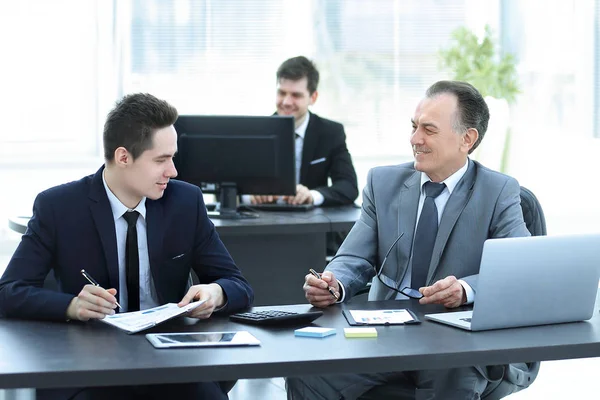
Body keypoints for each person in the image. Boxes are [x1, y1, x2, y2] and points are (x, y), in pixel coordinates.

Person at [287, 81, 538, 399]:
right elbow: (354, 257)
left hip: (454, 337)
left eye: (428, 130)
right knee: (307, 370)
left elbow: (519, 269)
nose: (414, 139)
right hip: (385, 331)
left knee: (456, 369)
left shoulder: (498, 191)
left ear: (467, 139)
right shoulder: (384, 182)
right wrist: (334, 283)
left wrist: (466, 289)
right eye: (413, 126)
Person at [0, 93, 254, 400]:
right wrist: (71, 305)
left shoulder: (185, 203)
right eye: (161, 160)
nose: (172, 171)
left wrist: (216, 292)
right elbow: (9, 291)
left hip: (171, 363)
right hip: (90, 366)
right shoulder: (59, 207)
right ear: (123, 157)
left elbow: (237, 284)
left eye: (172, 157)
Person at [246, 55, 358, 207]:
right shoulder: (256, 132)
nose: (286, 102)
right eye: (282, 93)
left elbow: (348, 187)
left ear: (313, 97)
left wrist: (312, 196)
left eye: (296, 95)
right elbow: (226, 189)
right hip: (262, 223)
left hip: (311, 224)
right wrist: (250, 194)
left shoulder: (331, 132)